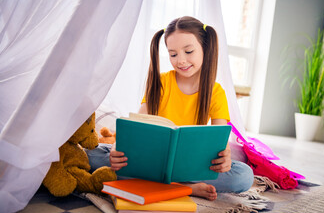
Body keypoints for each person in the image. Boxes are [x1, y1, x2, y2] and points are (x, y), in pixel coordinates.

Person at [88, 16, 254, 201]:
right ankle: (185, 187)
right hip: (150, 161)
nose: (181, 60)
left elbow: (219, 143)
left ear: (205, 48)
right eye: (173, 54)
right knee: (91, 155)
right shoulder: (161, 82)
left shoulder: (216, 92)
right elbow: (137, 125)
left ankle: (162, 183)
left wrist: (224, 159)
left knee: (244, 176)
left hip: (189, 165)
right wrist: (117, 148)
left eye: (189, 51)